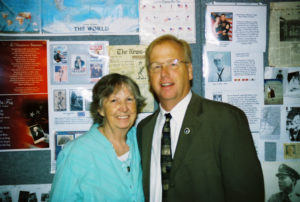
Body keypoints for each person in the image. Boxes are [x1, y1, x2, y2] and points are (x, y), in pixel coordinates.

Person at [137, 34, 264, 202]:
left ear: (189, 71)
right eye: (156, 66)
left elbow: (247, 195)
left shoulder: (225, 120)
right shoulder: (143, 129)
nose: (164, 73)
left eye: (173, 64)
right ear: (149, 76)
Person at [50, 73, 145, 202]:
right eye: (114, 100)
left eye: (129, 99)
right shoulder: (76, 152)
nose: (124, 108)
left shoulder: (143, 140)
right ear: (100, 109)